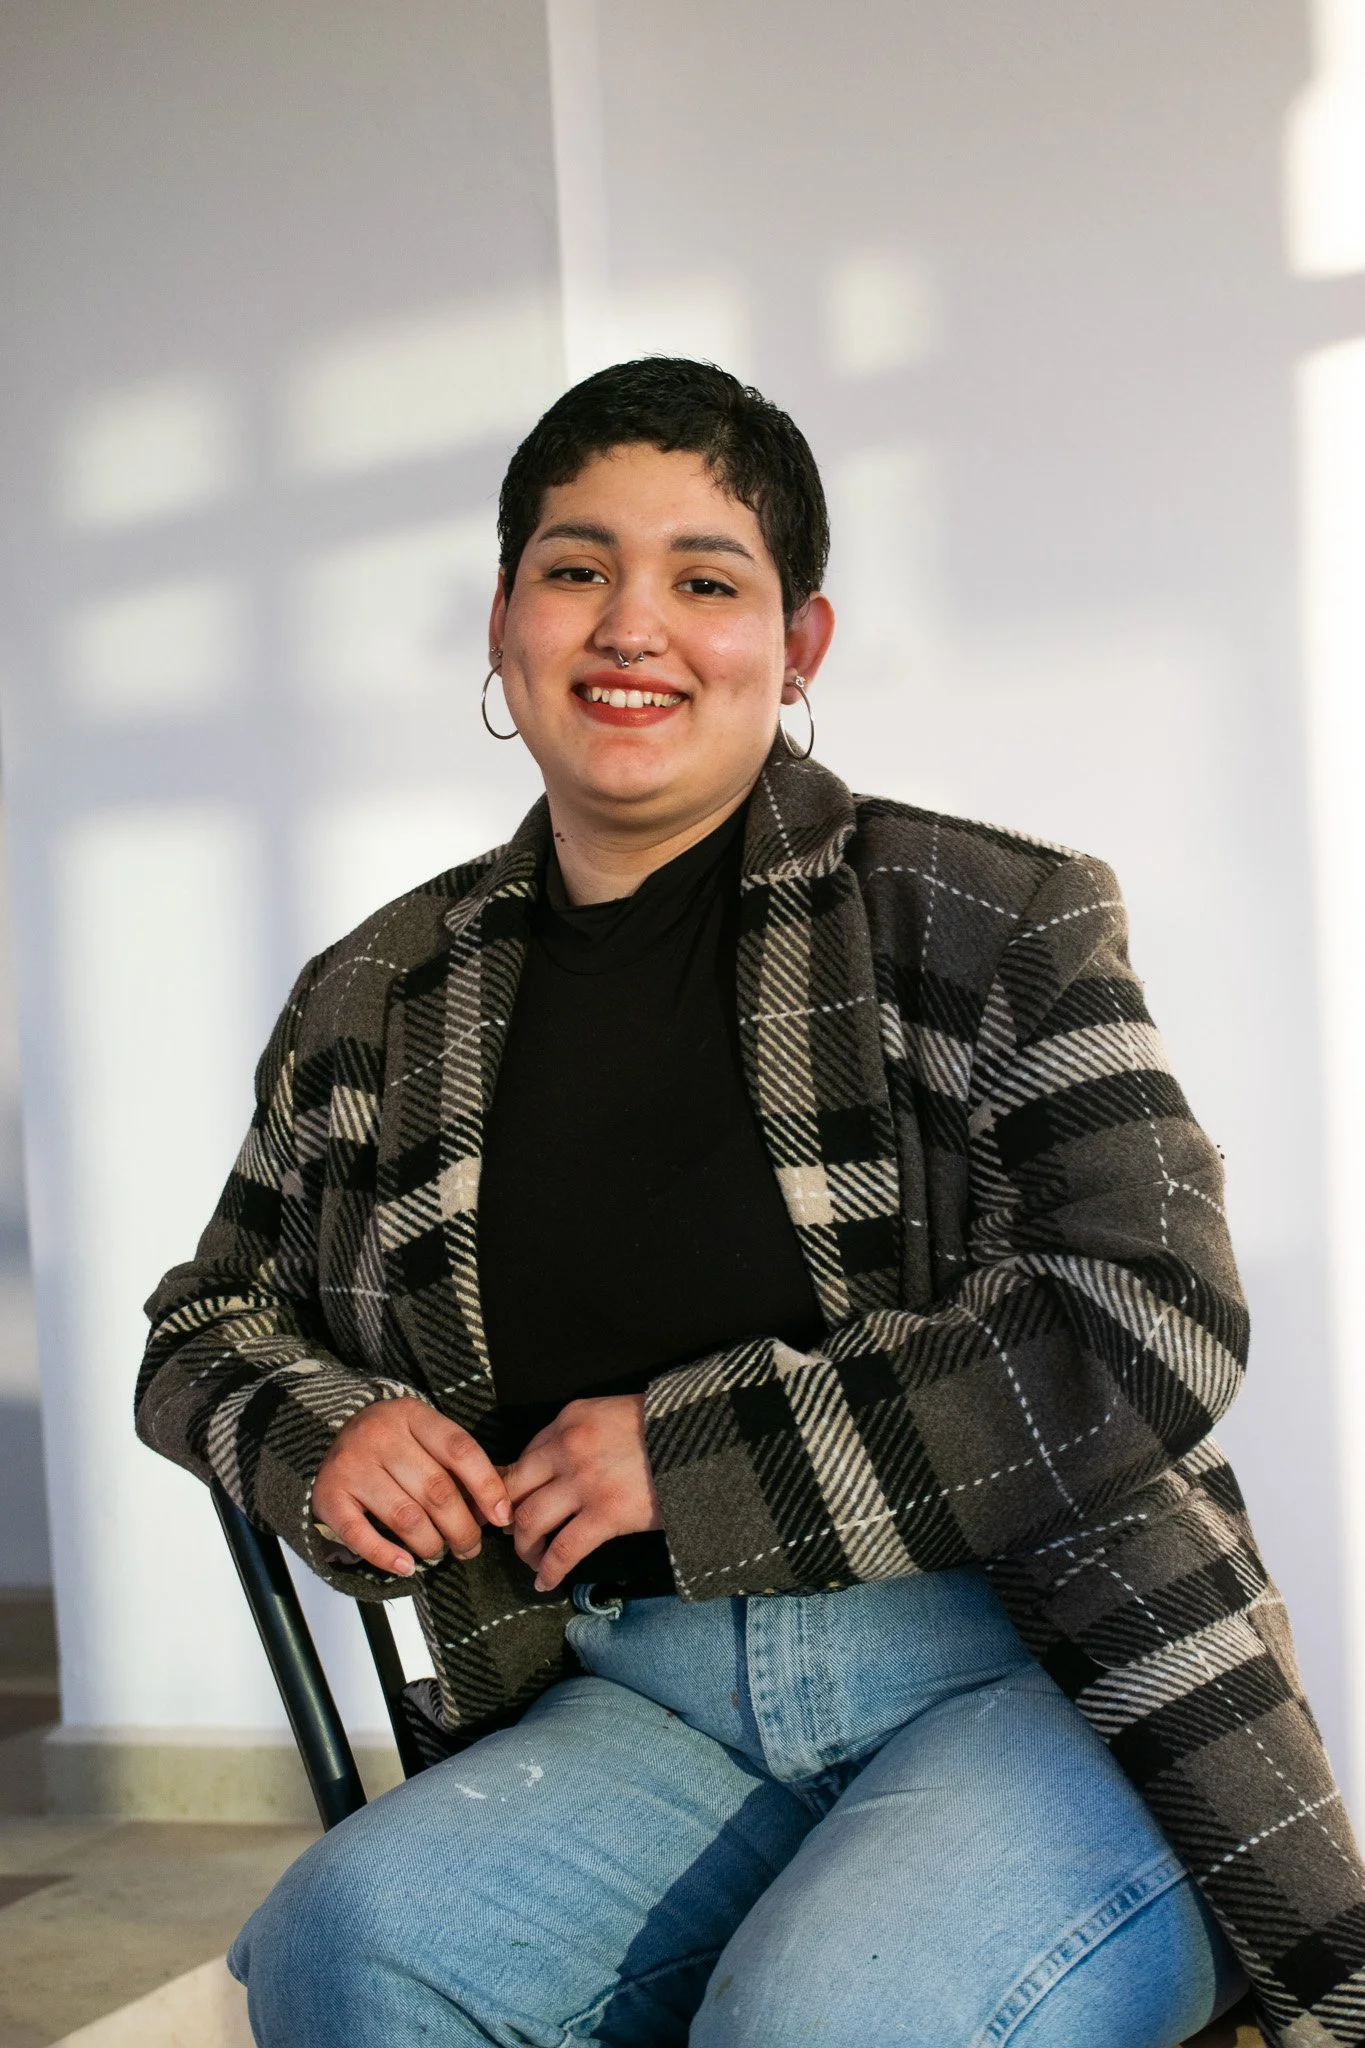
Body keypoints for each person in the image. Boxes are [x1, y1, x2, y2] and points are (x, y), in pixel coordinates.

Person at [137, 358, 1363, 2048]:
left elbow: (1149, 1312)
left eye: (706, 582)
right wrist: (321, 1430)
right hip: (627, 1692)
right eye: (577, 571)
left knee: (813, 2026)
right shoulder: (376, 996)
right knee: (351, 1950)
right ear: (504, 621)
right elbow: (207, 1324)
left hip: (1019, 1663)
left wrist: (691, 1455)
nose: (633, 627)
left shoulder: (983, 916)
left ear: (797, 648)